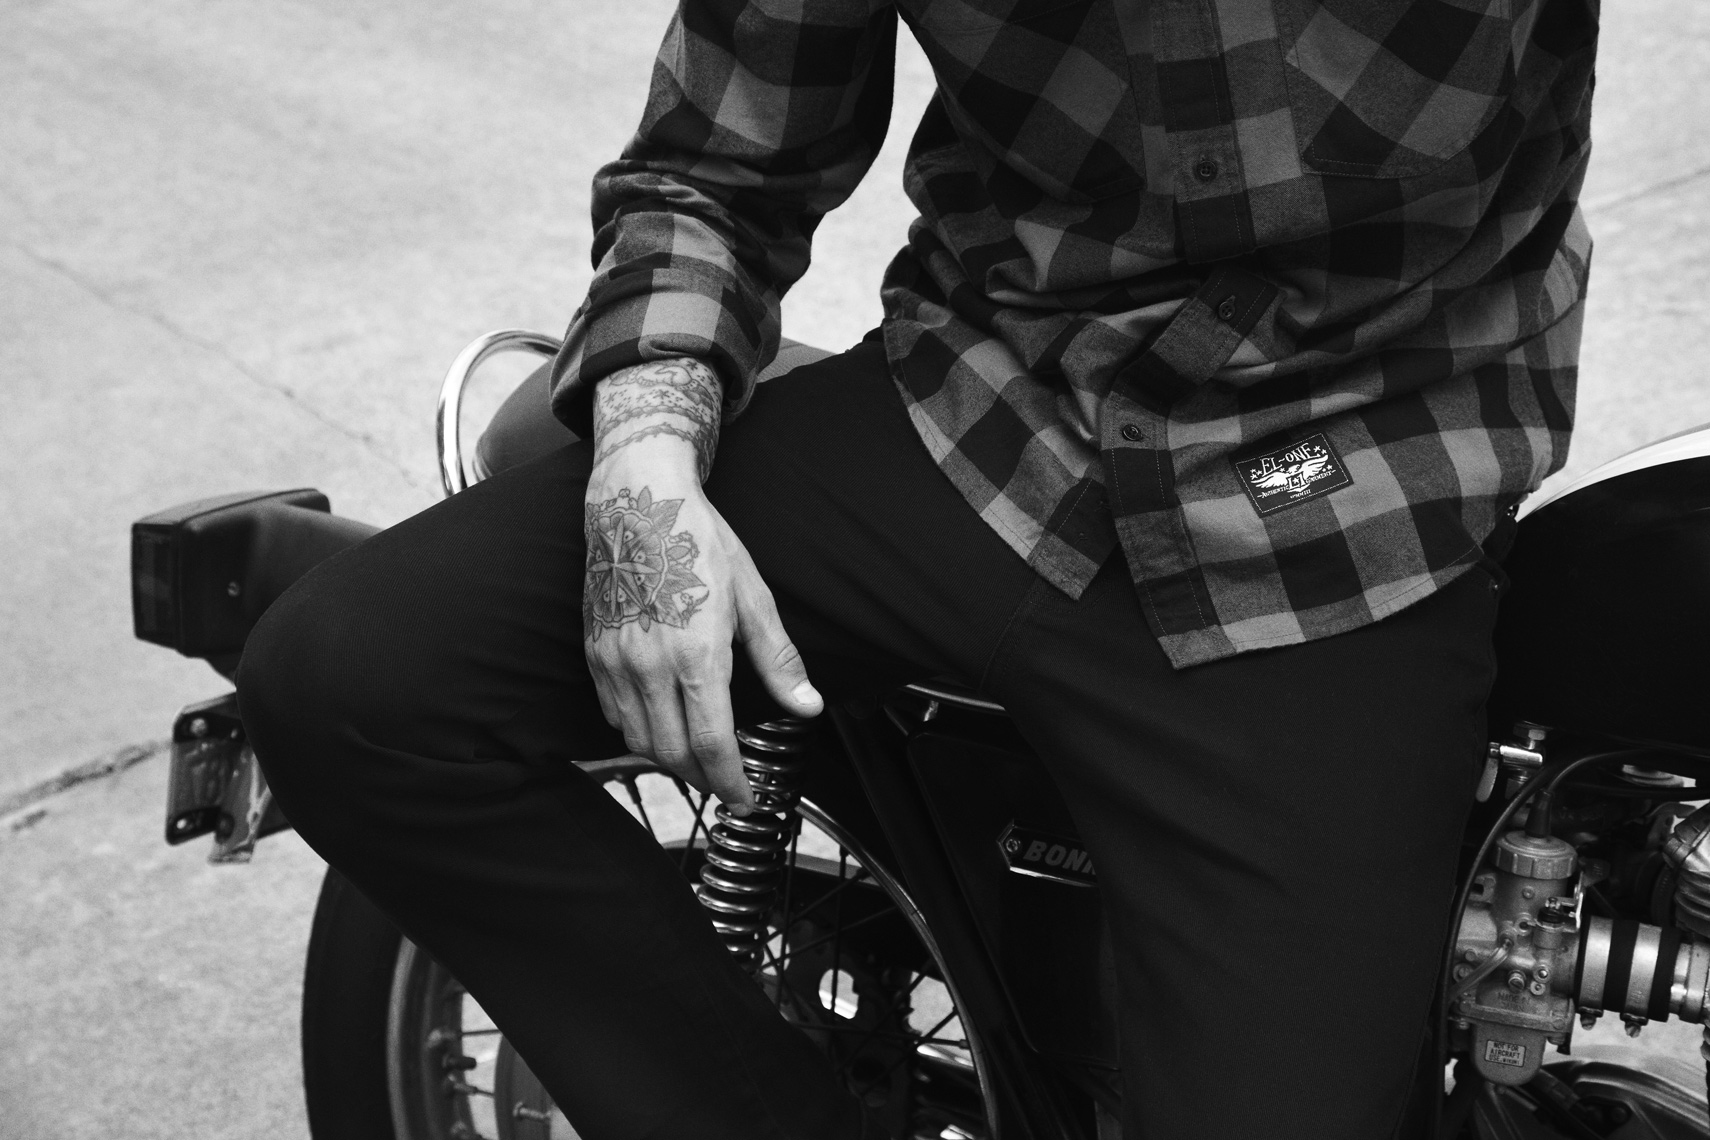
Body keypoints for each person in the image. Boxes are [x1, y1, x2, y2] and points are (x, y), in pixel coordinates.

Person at [237, 0, 1598, 1134]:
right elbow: (717, 160)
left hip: (1331, 493)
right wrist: (643, 474)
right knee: (355, 678)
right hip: (984, 417)